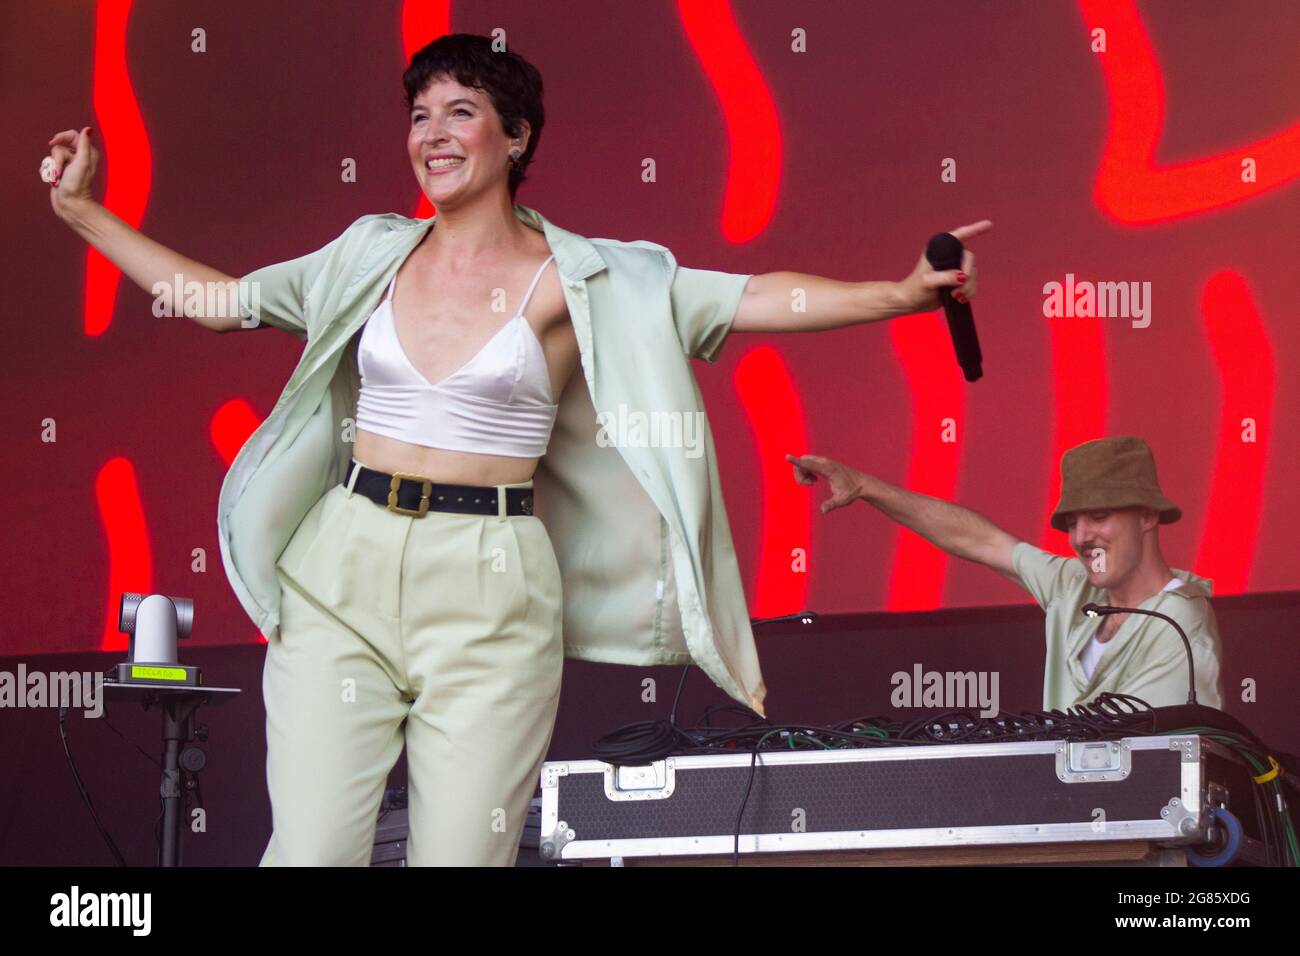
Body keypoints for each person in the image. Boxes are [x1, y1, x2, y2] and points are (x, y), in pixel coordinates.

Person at [45, 33, 989, 865]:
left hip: (494, 583)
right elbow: (222, 306)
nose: (435, 134)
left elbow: (749, 298)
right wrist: (86, 215)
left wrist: (901, 294)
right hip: (344, 567)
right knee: (316, 852)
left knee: (463, 856)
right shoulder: (367, 253)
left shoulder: (587, 278)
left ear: (519, 137)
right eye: (421, 116)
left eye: (463, 112)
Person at [787, 436, 1224, 711]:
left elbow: (1143, 756)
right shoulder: (1071, 585)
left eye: (1098, 516)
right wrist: (865, 486)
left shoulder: (1180, 619)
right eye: (1071, 523)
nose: (1080, 536)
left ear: (1148, 517)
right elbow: (977, 539)